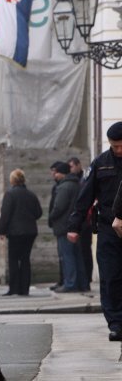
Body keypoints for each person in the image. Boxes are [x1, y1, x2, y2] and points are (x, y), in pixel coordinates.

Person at [68, 122, 122, 342]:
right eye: (114, 146)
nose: (118, 150)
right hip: (109, 227)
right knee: (110, 276)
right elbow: (85, 196)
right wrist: (74, 225)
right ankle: (116, 324)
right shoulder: (101, 164)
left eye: (121, 146)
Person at [0, 169, 42, 296]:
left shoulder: (10, 194)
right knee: (25, 259)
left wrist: (1, 231)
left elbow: (5, 214)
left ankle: (14, 288)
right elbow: (38, 213)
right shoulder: (31, 195)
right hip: (30, 231)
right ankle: (24, 289)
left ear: (12, 180)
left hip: (15, 232)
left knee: (13, 259)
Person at [49, 161, 86, 293]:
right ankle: (82, 283)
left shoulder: (64, 187)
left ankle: (70, 284)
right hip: (74, 225)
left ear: (62, 173)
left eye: (56, 172)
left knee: (67, 256)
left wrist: (51, 216)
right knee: (76, 255)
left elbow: (59, 207)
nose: (54, 175)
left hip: (64, 226)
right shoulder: (76, 184)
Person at [68, 156, 93, 291]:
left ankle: (87, 278)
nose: (70, 170)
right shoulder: (77, 180)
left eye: (72, 166)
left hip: (86, 222)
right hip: (80, 221)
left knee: (85, 251)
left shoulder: (84, 178)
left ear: (78, 165)